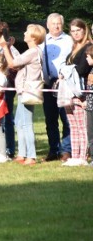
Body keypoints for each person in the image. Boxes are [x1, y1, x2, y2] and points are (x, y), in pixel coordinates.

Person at [1, 24, 46, 166]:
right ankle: (22, 153)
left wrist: (4, 47)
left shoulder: (33, 51)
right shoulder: (32, 51)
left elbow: (13, 63)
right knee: (20, 122)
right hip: (23, 90)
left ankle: (31, 156)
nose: (24, 33)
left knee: (26, 123)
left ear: (33, 37)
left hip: (28, 90)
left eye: (27, 32)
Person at [41, 13, 72, 161]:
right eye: (53, 23)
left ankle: (66, 150)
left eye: (58, 23)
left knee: (66, 119)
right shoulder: (42, 41)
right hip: (47, 85)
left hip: (65, 84)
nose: (56, 26)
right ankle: (53, 150)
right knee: (50, 119)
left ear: (63, 24)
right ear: (47, 25)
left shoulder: (69, 40)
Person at [61, 19, 93, 167]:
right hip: (68, 92)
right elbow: (68, 66)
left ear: (84, 30)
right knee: (72, 126)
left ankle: (82, 157)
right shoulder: (74, 47)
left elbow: (82, 70)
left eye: (78, 30)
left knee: (82, 126)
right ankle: (74, 155)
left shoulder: (88, 47)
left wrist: (67, 70)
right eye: (73, 31)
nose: (75, 34)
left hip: (81, 92)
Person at [84, 45, 93, 165]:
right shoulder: (90, 71)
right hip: (90, 106)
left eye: (88, 57)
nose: (86, 59)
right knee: (90, 133)